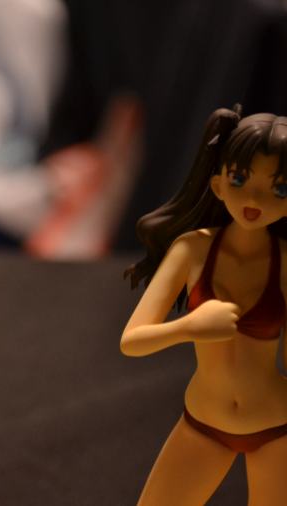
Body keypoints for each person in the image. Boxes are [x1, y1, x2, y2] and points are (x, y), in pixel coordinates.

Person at [122, 105, 287, 505]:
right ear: (217, 184)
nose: (254, 198)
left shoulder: (285, 261)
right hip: (203, 424)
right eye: (239, 179)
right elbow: (132, 340)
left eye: (279, 188)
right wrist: (190, 327)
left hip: (277, 427)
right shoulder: (191, 250)